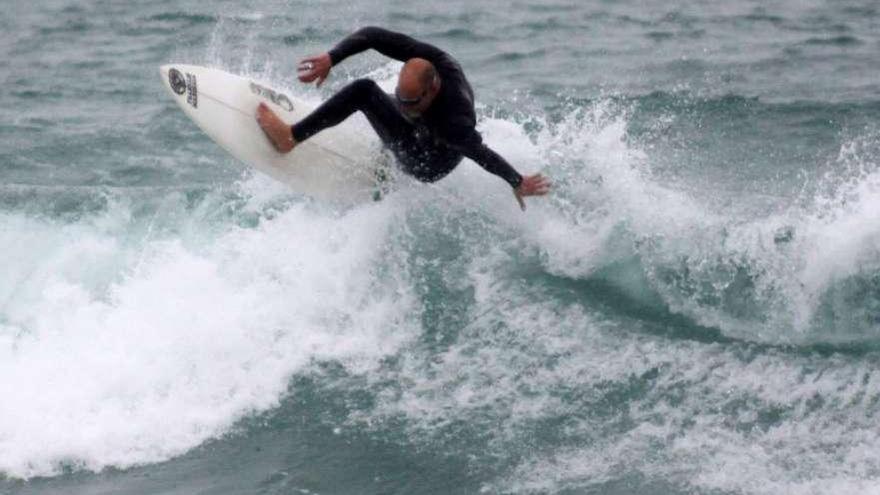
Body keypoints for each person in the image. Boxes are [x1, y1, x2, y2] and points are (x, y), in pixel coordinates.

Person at [256, 26, 550, 209]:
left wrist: (516, 180)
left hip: (428, 163)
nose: (405, 105)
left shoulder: (453, 119)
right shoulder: (433, 60)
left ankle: (289, 138)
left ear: (432, 88)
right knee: (376, 97)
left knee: (363, 91)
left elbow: (480, 152)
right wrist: (332, 57)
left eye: (412, 101)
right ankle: (386, 162)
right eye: (402, 97)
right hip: (421, 131)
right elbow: (372, 36)